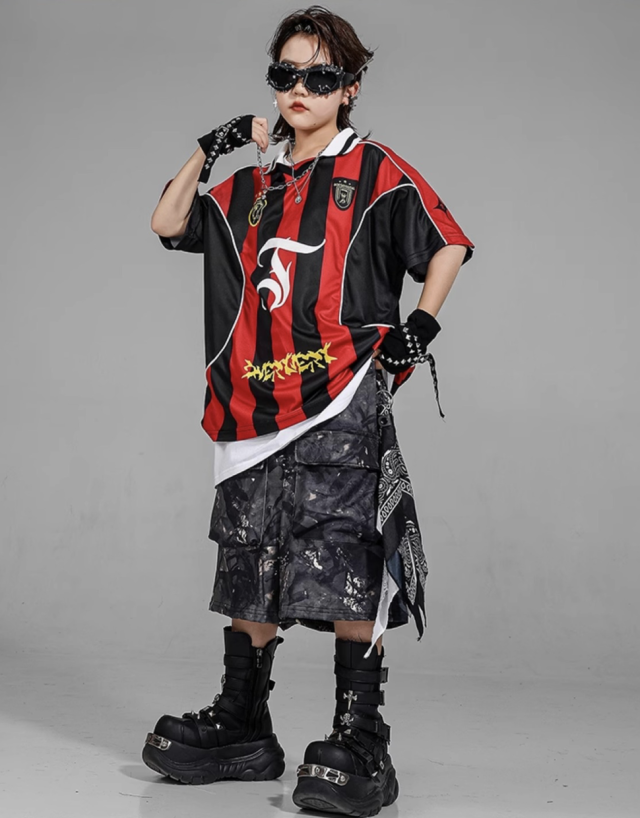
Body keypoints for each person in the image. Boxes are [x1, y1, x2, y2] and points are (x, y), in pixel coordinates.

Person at [142, 5, 474, 816]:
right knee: (250, 556)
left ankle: (359, 738)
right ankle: (242, 723)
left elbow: (447, 243)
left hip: (342, 398)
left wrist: (421, 326)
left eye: (320, 76)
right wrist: (212, 145)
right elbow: (169, 222)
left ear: (349, 88)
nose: (300, 88)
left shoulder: (374, 170)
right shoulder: (253, 185)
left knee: (345, 555)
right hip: (252, 404)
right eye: (285, 74)